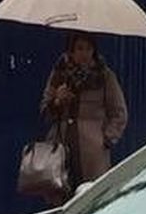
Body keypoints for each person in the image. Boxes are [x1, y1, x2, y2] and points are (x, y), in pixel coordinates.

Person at [40, 32, 129, 188]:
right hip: (60, 148)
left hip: (92, 153)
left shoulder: (104, 76)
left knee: (91, 196)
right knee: (60, 193)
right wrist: (58, 100)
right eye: (79, 48)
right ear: (71, 51)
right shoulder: (58, 75)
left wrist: (106, 139)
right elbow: (45, 112)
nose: (84, 54)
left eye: (89, 49)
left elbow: (119, 113)